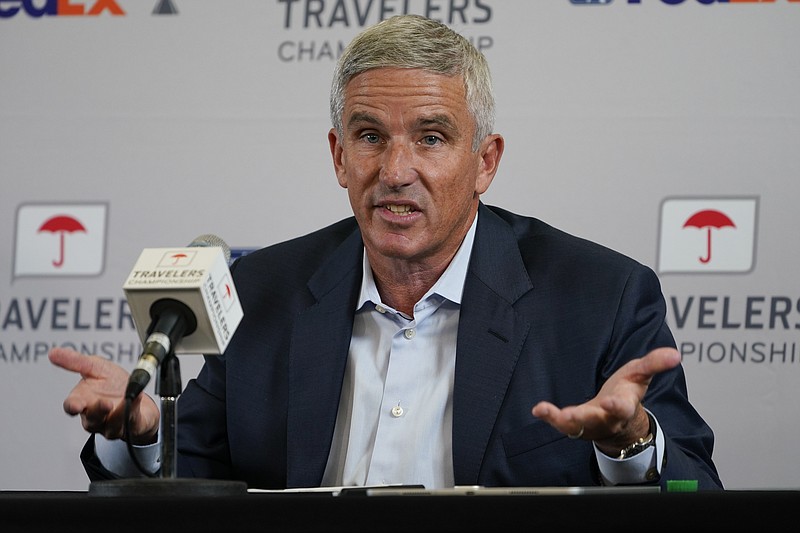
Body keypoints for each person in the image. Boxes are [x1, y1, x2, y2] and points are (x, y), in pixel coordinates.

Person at [49, 14, 722, 491]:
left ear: (485, 161)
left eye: (431, 138)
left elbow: (697, 487)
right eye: (370, 136)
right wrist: (138, 428)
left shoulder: (599, 297)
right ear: (340, 156)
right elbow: (182, 474)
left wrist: (630, 443)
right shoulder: (263, 293)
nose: (396, 170)